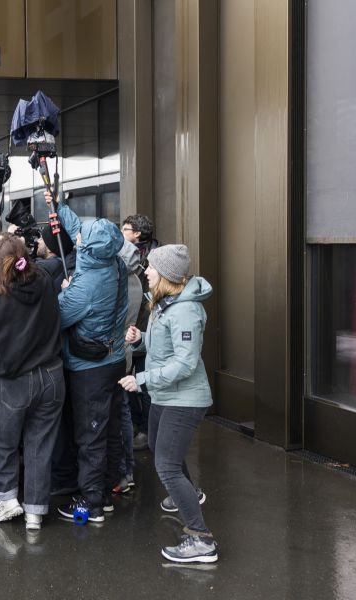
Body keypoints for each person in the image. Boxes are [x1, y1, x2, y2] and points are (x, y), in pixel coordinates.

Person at [118, 244, 217, 563]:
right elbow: (165, 346)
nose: (146, 271)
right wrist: (141, 339)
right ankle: (188, 495)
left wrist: (143, 379)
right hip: (166, 395)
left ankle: (201, 539)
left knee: (166, 466)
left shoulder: (185, 310)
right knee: (164, 450)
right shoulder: (165, 302)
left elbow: (186, 364)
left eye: (151, 268)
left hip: (184, 400)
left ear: (168, 275)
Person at [0, 236, 64, 531]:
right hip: (52, 374)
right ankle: (35, 512)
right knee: (40, 445)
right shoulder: (46, 283)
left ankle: (8, 500)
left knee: (3, 443)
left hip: (13, 380)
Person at [48, 192, 128, 524]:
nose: (77, 236)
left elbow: (57, 318)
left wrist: (65, 290)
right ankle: (107, 491)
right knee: (108, 431)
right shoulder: (111, 261)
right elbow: (79, 230)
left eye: (82, 236)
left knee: (90, 434)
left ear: (88, 247)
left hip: (88, 370)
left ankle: (91, 502)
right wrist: (55, 203)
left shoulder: (87, 287)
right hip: (114, 359)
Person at [111, 240, 147, 494]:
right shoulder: (134, 279)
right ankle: (127, 471)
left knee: (118, 414)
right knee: (122, 410)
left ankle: (122, 472)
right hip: (124, 354)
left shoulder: (120, 282)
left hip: (114, 354)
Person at [122, 214, 159, 449]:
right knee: (127, 382)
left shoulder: (153, 259)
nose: (121, 232)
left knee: (145, 385)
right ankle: (136, 424)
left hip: (145, 329)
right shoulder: (127, 256)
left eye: (125, 229)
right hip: (130, 329)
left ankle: (147, 431)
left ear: (137, 234)